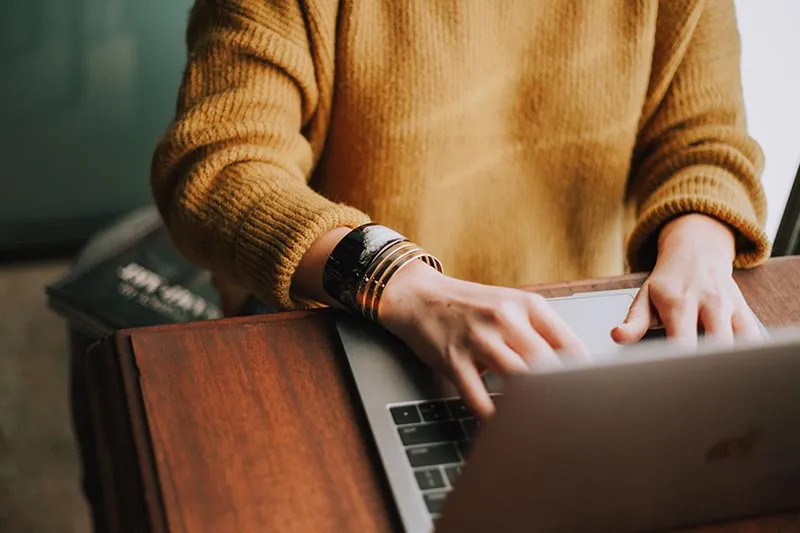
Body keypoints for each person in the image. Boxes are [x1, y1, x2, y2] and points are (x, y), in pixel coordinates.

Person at [151, 0, 770, 419]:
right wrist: (399, 282)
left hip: (580, 342)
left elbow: (706, 142)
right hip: (351, 326)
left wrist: (700, 243)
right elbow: (217, 165)